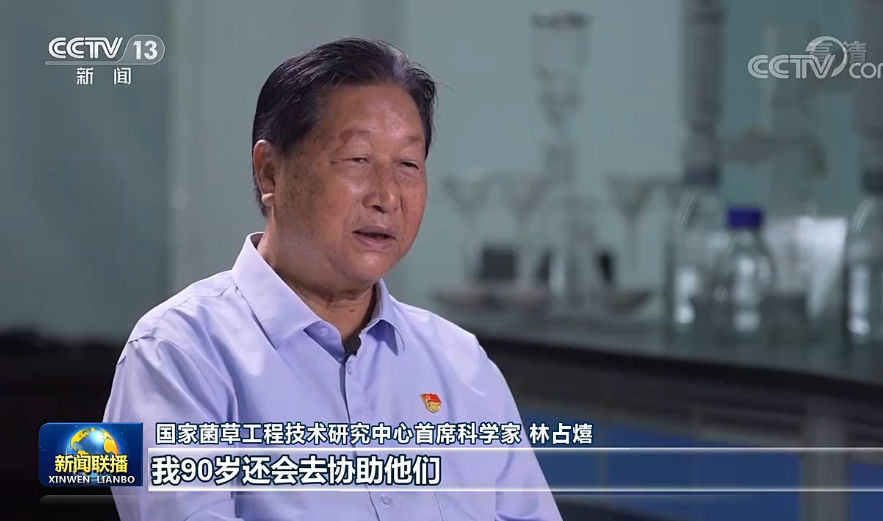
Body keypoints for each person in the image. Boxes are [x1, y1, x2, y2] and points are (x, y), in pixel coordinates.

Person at [104, 37, 561, 521]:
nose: (386, 196)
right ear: (270, 172)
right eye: (357, 160)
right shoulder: (180, 353)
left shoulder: (461, 365)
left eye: (408, 165)